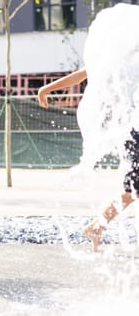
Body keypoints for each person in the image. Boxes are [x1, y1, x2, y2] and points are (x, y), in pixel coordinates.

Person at [37, 68, 137, 252]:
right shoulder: (122, 54)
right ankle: (96, 226)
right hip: (135, 132)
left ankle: (97, 226)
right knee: (134, 190)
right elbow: (85, 71)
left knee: (134, 191)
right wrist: (46, 89)